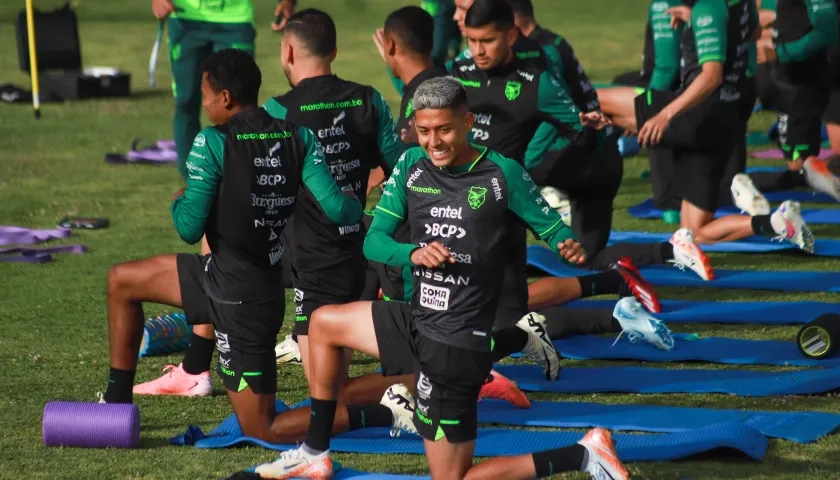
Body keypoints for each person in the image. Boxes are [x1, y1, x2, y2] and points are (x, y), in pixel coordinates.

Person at [251, 76, 628, 480]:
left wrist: (566, 242)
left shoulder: (503, 175)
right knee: (323, 323)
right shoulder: (412, 165)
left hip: (456, 341)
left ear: (467, 122)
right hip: (415, 318)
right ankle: (314, 452)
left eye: (444, 130)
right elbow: (373, 242)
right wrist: (412, 253)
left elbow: (552, 227)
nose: (434, 142)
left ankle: (585, 455)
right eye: (424, 131)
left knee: (451, 478)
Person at [99, 49, 393, 444]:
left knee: (262, 427)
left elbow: (188, 226)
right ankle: (115, 406)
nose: (202, 105)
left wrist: (176, 199)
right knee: (122, 280)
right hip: (224, 276)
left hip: (243, 302)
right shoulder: (298, 136)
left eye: (205, 96)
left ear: (224, 97)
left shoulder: (212, 142)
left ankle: (385, 412)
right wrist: (358, 202)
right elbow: (340, 212)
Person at [596, 0, 815, 253]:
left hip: (697, 114)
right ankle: (777, 222)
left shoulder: (708, 7)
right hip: (723, 122)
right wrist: (699, 20)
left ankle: (570, 186)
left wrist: (664, 115)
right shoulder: (739, 5)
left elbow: (712, 75)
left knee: (599, 99)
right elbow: (751, 33)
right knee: (694, 233)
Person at [747, 0, 840, 202]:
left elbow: (827, 33)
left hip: (806, 75)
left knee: (801, 160)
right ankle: (809, 172)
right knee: (796, 155)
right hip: (788, 75)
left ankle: (815, 176)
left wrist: (782, 53)